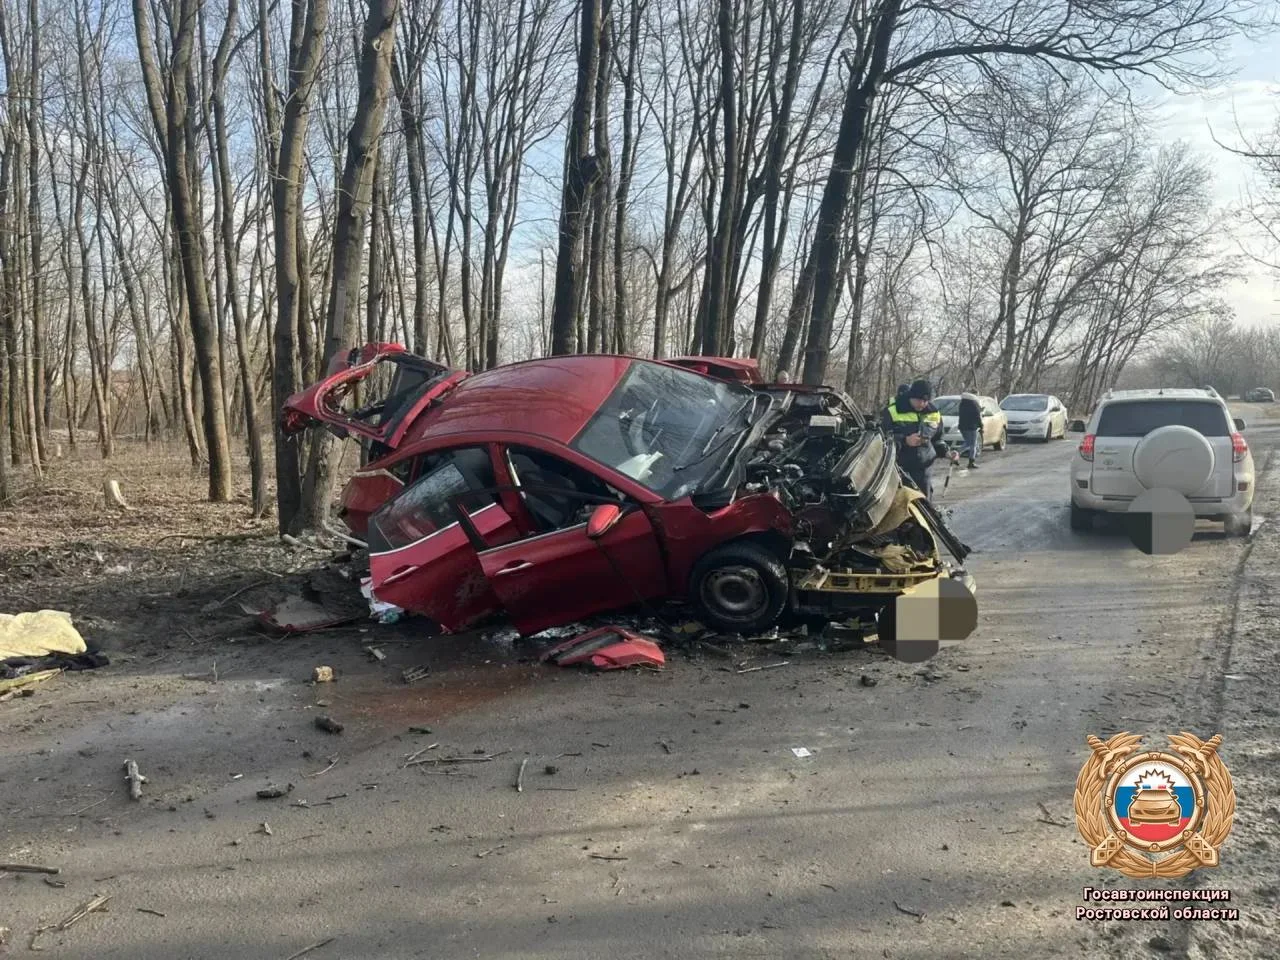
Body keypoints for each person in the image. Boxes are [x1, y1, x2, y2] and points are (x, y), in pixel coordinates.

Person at [881, 378, 958, 500]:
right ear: (911, 396)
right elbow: (881, 441)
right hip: (898, 469)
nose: (922, 404)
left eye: (925, 401)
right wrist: (905, 441)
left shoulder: (934, 413)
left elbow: (937, 439)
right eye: (918, 400)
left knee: (925, 507)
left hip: (924, 470)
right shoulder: (892, 411)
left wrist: (947, 452)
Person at [958, 392, 983, 469]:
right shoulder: (974, 404)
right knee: (972, 444)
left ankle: (956, 454)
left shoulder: (962, 404)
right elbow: (977, 416)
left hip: (962, 427)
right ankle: (971, 462)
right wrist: (981, 426)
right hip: (972, 427)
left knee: (967, 443)